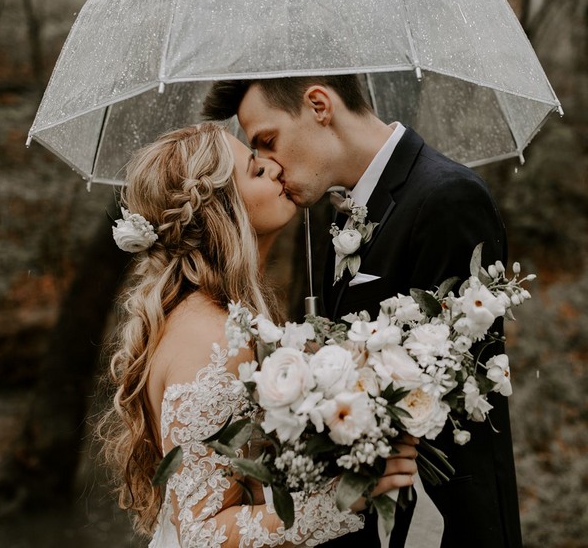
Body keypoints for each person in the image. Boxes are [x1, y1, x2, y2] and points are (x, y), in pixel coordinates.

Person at [201, 76, 524, 548]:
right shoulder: (342, 217)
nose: (269, 164)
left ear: (318, 105)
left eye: (268, 141)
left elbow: (463, 409)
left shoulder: (448, 198)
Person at [98, 123, 419, 548]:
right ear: (221, 210)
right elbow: (201, 531)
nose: (272, 166)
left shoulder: (223, 316)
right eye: (254, 169)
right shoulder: (211, 339)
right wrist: (342, 499)